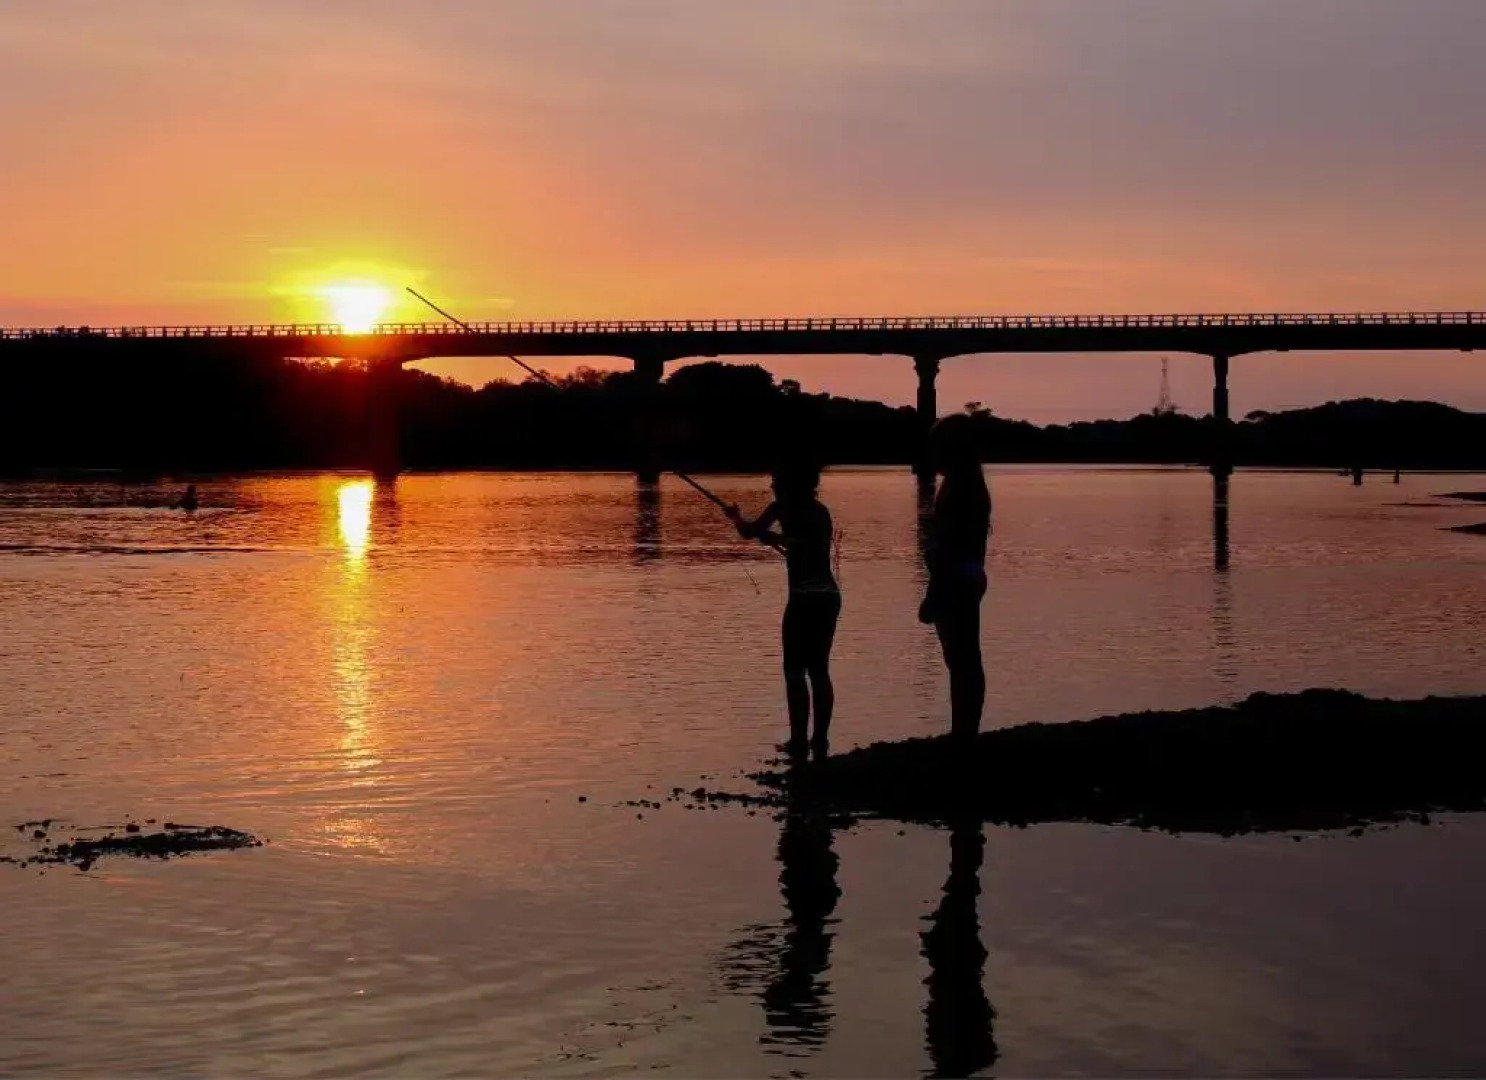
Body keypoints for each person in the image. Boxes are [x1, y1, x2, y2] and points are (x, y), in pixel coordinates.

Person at [728, 461, 841, 758]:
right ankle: (819, 741)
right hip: (829, 596)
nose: (772, 486)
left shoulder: (785, 509)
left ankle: (800, 741)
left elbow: (798, 544)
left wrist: (772, 537)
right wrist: (737, 518)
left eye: (777, 481)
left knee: (794, 670)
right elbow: (752, 532)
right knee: (819, 670)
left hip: (805, 597)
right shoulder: (819, 511)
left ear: (792, 484)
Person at [918, 414, 991, 739]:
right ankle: (964, 726)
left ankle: (964, 729)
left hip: (956, 578)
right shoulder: (968, 482)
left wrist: (934, 591)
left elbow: (950, 545)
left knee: (961, 657)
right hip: (967, 575)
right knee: (963, 656)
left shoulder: (960, 487)